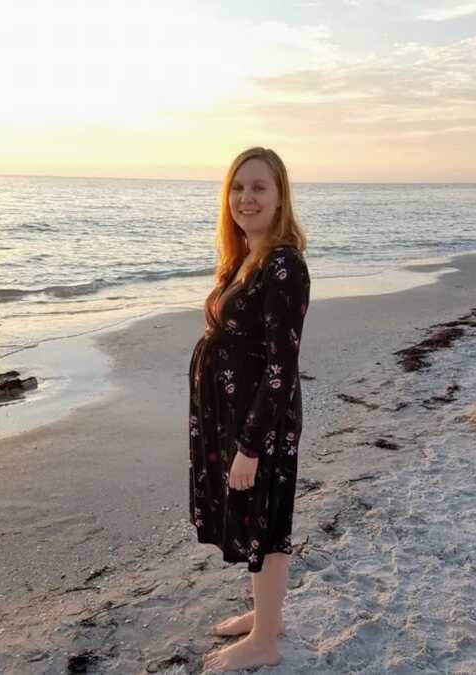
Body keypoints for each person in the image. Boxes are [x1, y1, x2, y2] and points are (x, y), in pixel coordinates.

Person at [189, 147, 310, 672]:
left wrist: (250, 445)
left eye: (259, 187)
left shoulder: (284, 266)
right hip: (233, 413)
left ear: (280, 196)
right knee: (254, 515)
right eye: (238, 188)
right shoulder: (244, 258)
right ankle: (267, 617)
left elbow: (282, 365)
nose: (246, 198)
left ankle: (264, 638)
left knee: (268, 518)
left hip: (263, 420)